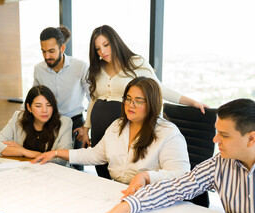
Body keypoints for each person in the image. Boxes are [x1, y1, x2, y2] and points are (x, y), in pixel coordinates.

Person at [81, 98, 255, 213]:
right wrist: (124, 208)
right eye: (216, 131)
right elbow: (173, 188)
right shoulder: (219, 164)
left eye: (224, 135)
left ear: (251, 139)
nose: (214, 140)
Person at [75, 25, 207, 178]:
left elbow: (159, 89)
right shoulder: (98, 68)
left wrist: (191, 102)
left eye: (106, 45)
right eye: (97, 48)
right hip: (101, 134)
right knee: (104, 179)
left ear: (116, 42)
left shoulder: (135, 63)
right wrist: (87, 127)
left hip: (127, 133)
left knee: (126, 177)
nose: (102, 52)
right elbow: (94, 98)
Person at [31, 77, 190, 188]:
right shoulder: (118, 126)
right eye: (128, 98)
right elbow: (93, 155)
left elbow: (181, 175)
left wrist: (147, 177)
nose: (130, 105)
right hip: (116, 191)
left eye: (138, 101)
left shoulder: (168, 133)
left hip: (151, 196)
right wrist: (56, 153)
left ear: (152, 104)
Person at [33, 26, 90, 169]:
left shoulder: (81, 67)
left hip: (75, 123)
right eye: (43, 51)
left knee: (76, 167)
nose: (47, 56)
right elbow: (34, 98)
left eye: (51, 51)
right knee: (49, 165)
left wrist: (86, 127)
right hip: (49, 123)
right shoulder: (38, 69)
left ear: (62, 48)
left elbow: (94, 99)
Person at [0, 85, 72, 165]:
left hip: (52, 173)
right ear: (29, 107)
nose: (44, 110)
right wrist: (24, 151)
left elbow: (62, 159)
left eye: (48, 105)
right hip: (24, 170)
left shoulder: (65, 123)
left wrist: (21, 150)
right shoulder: (18, 117)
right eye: (38, 106)